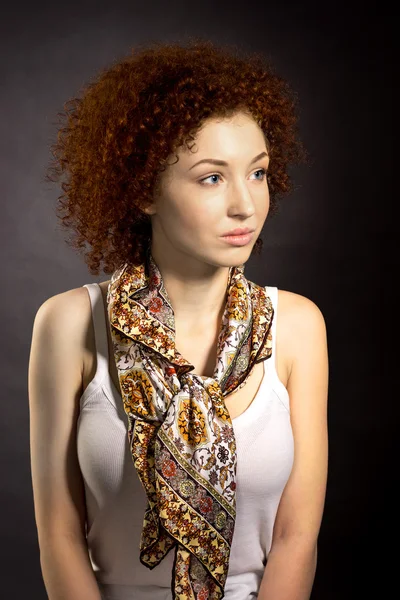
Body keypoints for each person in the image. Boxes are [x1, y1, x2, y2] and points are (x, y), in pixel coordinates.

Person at [28, 38, 329, 600]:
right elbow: (59, 535)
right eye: (212, 177)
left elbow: (295, 537)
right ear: (143, 190)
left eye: (258, 173)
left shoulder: (298, 327)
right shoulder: (68, 325)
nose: (246, 204)